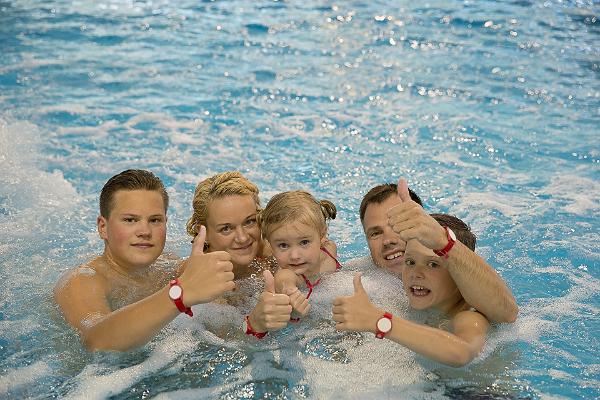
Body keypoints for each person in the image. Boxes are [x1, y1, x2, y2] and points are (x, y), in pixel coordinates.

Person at [54, 169, 236, 351]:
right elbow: (95, 341)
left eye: (155, 220)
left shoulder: (167, 266)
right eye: (130, 220)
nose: (145, 231)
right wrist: (180, 293)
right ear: (103, 227)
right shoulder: (82, 281)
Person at [332, 213, 490, 367]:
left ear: (460, 275)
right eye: (410, 261)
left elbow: (461, 353)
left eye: (433, 264)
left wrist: (378, 321)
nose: (416, 274)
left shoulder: (469, 316)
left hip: (476, 393)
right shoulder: (404, 300)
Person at [359, 178, 518, 323]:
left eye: (397, 224)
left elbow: (507, 314)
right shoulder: (357, 279)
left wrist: (443, 242)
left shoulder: (461, 271)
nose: (388, 241)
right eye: (375, 233)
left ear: (423, 221)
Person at [185, 171, 293, 338]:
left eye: (249, 221)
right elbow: (222, 342)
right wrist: (254, 325)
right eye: (226, 228)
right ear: (203, 233)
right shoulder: (200, 282)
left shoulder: (272, 252)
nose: (243, 238)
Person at [259, 190, 342, 321]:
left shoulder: (330, 249)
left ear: (322, 236)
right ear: (271, 246)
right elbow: (284, 281)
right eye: (283, 245)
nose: (295, 256)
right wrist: (289, 293)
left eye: (304, 242)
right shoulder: (288, 274)